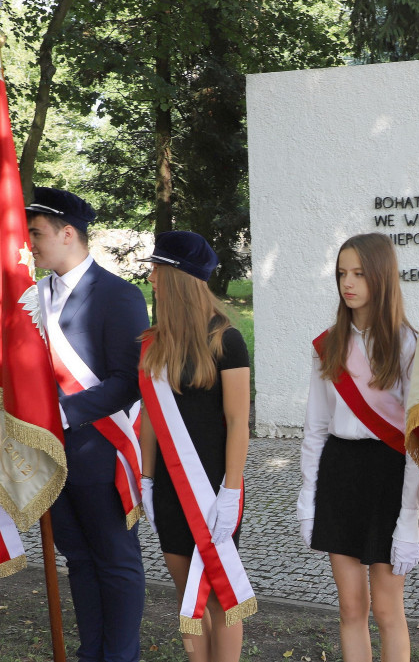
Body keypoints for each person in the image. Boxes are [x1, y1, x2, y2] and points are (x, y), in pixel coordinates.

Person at [297, 232, 419, 662]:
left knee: (386, 609)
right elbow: (316, 426)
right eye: (342, 273)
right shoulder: (329, 345)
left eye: (359, 273)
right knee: (350, 607)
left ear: (381, 276)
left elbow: (418, 441)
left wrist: (408, 520)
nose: (348, 282)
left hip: (390, 473)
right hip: (341, 471)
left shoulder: (408, 344)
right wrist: (308, 495)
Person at [26, 188, 148, 662]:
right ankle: (90, 653)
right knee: (78, 560)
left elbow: (127, 382)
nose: (31, 244)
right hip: (51, 456)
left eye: (37, 234)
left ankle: (119, 656)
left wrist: (59, 414)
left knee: (116, 563)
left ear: (68, 233)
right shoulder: (31, 298)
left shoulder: (118, 295)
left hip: (100, 451)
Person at [136, 230, 255, 662]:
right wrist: (146, 480)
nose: (151, 277)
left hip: (215, 490)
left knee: (221, 597)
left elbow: (239, 421)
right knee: (188, 597)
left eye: (157, 269)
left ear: (179, 277)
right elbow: (150, 416)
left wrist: (231, 490)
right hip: (170, 488)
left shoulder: (227, 340)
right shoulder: (154, 343)